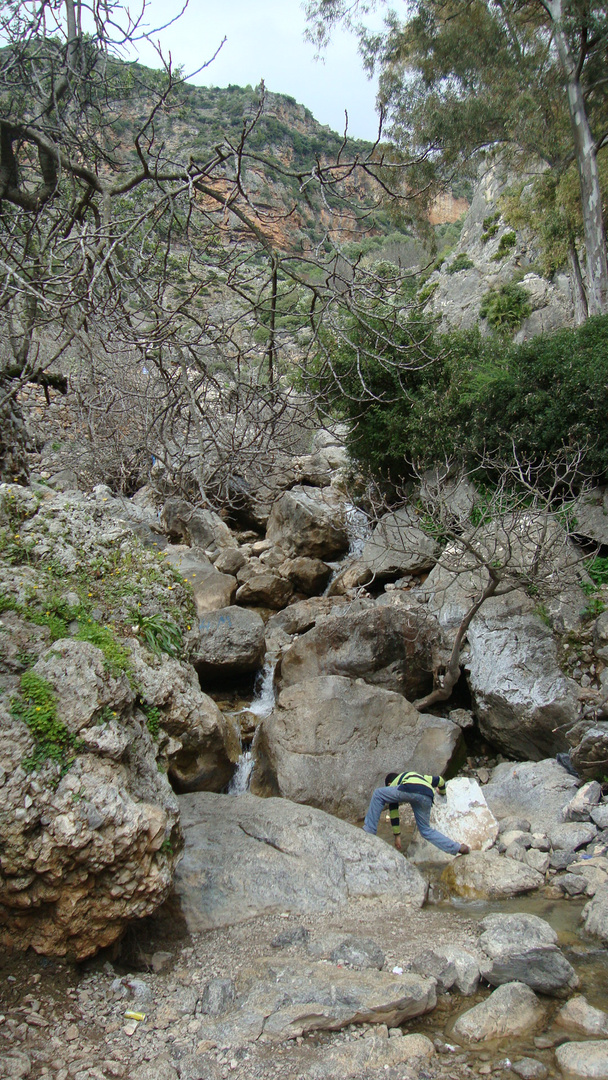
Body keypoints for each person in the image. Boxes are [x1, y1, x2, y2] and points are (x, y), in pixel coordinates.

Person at [363, 771, 470, 856]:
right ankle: (457, 847)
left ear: (390, 784)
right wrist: (442, 792)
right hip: (427, 795)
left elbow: (394, 812)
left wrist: (397, 836)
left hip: (409, 789)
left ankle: (369, 830)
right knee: (426, 830)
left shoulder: (394, 783)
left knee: (378, 794)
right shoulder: (418, 776)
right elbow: (440, 780)